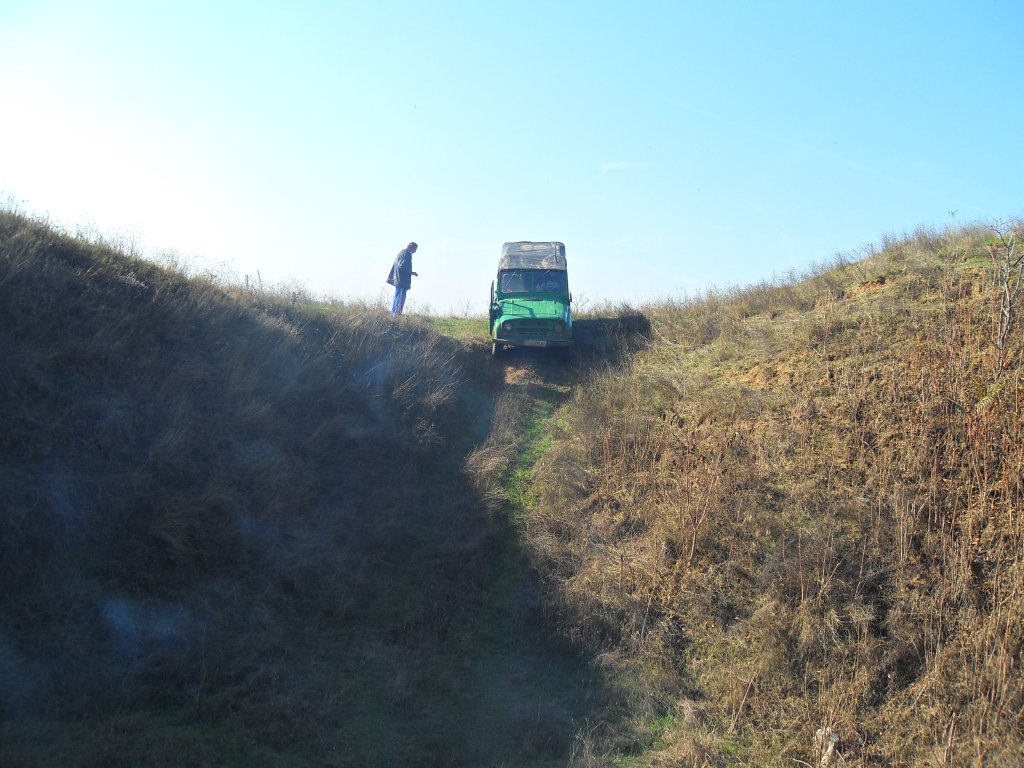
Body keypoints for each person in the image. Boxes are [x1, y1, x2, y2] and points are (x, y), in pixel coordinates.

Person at [387, 241, 419, 316]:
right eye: (414, 249)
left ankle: (394, 314)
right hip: (402, 281)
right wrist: (412, 273)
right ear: (411, 247)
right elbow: (402, 267)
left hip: (398, 280)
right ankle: (396, 315)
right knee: (400, 298)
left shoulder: (402, 253)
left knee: (397, 296)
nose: (415, 252)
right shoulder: (406, 254)